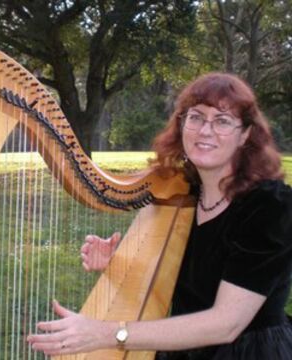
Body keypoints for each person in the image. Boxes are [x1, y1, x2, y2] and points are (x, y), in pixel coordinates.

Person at [27, 73, 292, 359]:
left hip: (247, 351)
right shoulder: (180, 192)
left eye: (222, 121)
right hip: (183, 348)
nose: (205, 130)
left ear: (245, 135)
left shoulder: (269, 206)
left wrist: (104, 333)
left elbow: (226, 324)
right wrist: (115, 265)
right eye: (196, 117)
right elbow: (184, 278)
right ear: (182, 125)